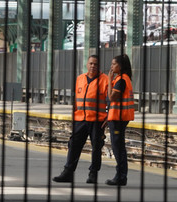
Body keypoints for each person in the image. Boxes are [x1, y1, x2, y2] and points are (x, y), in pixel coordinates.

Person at [52, 55, 109, 184]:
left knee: (96, 147)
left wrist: (108, 117)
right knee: (73, 145)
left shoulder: (105, 80)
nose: (93, 66)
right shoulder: (80, 79)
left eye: (95, 64)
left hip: (97, 120)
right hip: (80, 119)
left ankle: (93, 173)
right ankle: (68, 172)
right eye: (91, 63)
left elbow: (109, 101)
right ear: (87, 64)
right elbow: (76, 100)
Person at [105, 54, 135, 186]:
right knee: (118, 147)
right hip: (117, 117)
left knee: (118, 148)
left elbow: (112, 98)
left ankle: (121, 176)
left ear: (120, 66)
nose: (111, 67)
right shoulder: (123, 79)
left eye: (114, 64)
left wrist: (109, 80)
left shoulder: (121, 80)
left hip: (119, 119)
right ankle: (121, 175)